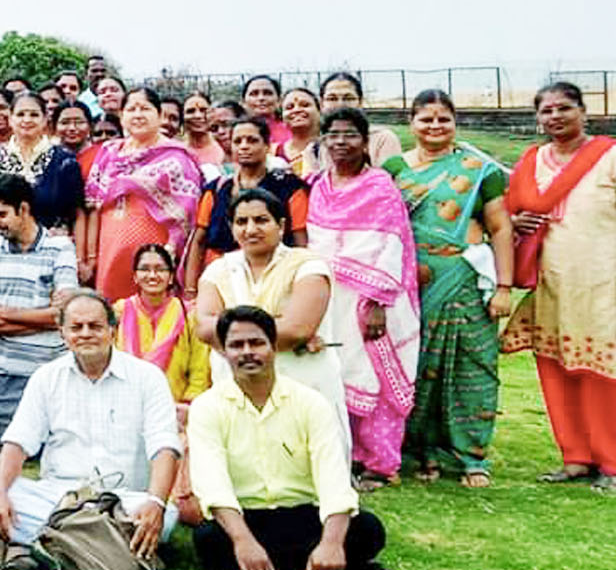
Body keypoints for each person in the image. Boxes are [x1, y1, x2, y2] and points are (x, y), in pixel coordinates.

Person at [0, 292, 181, 560]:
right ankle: (100, 547)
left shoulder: (147, 377)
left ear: (112, 330)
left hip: (121, 501)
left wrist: (155, 503)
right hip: (59, 498)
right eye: (76, 327)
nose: (85, 334)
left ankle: (53, 543)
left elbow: (164, 447)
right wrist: (0, 494)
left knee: (166, 512)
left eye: (95, 326)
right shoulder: (46, 377)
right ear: (62, 333)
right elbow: (18, 443)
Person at [383, 90, 515, 487]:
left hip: (463, 277)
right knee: (417, 362)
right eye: (426, 119)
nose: (435, 126)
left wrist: (504, 286)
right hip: (413, 281)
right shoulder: (393, 169)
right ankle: (421, 451)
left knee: (472, 365)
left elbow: (500, 227)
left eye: (444, 119)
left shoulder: (480, 170)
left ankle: (471, 455)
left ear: (456, 122)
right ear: (411, 123)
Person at [190, 306, 387, 570]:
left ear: (274, 347)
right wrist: (243, 542)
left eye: (256, 343)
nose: (247, 351)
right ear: (224, 352)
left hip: (304, 514)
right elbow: (213, 486)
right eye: (236, 345)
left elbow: (334, 480)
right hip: (245, 518)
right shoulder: (207, 407)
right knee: (210, 538)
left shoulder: (310, 403)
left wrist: (331, 544)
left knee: (367, 529)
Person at [501, 81, 616, 488]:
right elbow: (506, 213)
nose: (555, 116)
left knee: (602, 370)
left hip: (604, 280)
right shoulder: (532, 162)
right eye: (546, 110)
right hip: (551, 281)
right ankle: (575, 458)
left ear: (584, 111)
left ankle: (612, 461)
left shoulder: (609, 156)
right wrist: (515, 222)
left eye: (564, 108)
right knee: (554, 367)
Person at [303, 107, 421, 489]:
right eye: (333, 135)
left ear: (365, 141)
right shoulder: (319, 186)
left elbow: (390, 245)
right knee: (334, 371)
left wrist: (377, 304)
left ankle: (380, 464)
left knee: (376, 375)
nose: (341, 142)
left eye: (350, 134)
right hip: (329, 298)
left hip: (371, 301)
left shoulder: (380, 187)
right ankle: (345, 454)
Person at [194, 189, 352, 447]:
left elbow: (296, 329)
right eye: (241, 222)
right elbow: (203, 327)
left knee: (312, 462)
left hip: (304, 390)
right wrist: (277, 324)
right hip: (237, 395)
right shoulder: (219, 270)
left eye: (261, 220)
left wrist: (228, 333)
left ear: (281, 226)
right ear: (231, 228)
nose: (250, 229)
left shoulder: (308, 266)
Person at [0, 173, 79, 446]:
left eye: (1, 214)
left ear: (23, 209)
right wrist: (45, 318)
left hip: (53, 370)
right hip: (6, 373)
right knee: (4, 450)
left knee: (55, 453)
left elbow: (65, 315)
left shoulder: (60, 248)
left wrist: (8, 313)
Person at [83, 87, 203, 299]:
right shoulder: (108, 153)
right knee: (112, 308)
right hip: (109, 246)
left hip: (155, 249)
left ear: (159, 115)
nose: (138, 115)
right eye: (131, 109)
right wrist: (91, 256)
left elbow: (186, 215)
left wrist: (170, 250)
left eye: (145, 108)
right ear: (122, 116)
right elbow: (93, 205)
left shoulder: (177, 158)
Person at [185, 117, 310, 290]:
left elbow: (300, 240)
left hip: (273, 279)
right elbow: (199, 241)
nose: (244, 146)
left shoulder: (289, 187)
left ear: (267, 146)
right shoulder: (216, 189)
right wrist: (191, 290)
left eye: (252, 140)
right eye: (238, 141)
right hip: (221, 280)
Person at [0, 92, 86, 235]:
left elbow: (78, 213)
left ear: (45, 119)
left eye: (34, 115)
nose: (27, 120)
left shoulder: (64, 160)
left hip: (52, 243)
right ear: (11, 119)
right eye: (20, 114)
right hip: (3, 243)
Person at [119, 244, 211, 404]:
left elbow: (200, 369)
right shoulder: (119, 312)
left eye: (160, 269)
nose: (152, 275)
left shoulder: (189, 315)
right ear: (135, 276)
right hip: (126, 404)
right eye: (145, 269)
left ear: (171, 277)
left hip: (175, 406)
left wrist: (188, 405)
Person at [275, 88, 323, 177]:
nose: (296, 110)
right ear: (282, 117)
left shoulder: (331, 149)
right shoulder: (273, 153)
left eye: (305, 105)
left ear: (320, 111)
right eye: (289, 107)